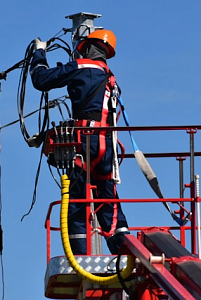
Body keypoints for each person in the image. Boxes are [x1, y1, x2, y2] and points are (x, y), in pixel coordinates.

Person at [30, 29, 129, 255]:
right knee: (109, 202)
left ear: (85, 48)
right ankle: (124, 251)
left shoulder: (80, 68)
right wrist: (47, 136)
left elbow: (41, 80)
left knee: (77, 203)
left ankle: (81, 257)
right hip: (106, 147)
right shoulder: (110, 78)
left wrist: (39, 53)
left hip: (84, 144)